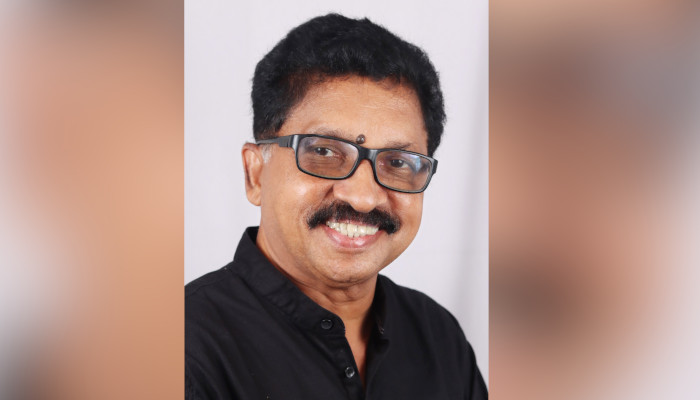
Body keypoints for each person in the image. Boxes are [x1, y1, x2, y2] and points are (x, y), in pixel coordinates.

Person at [185, 13, 487, 400]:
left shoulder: (438, 337)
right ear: (255, 174)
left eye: (397, 161)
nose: (363, 197)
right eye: (324, 151)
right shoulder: (184, 355)